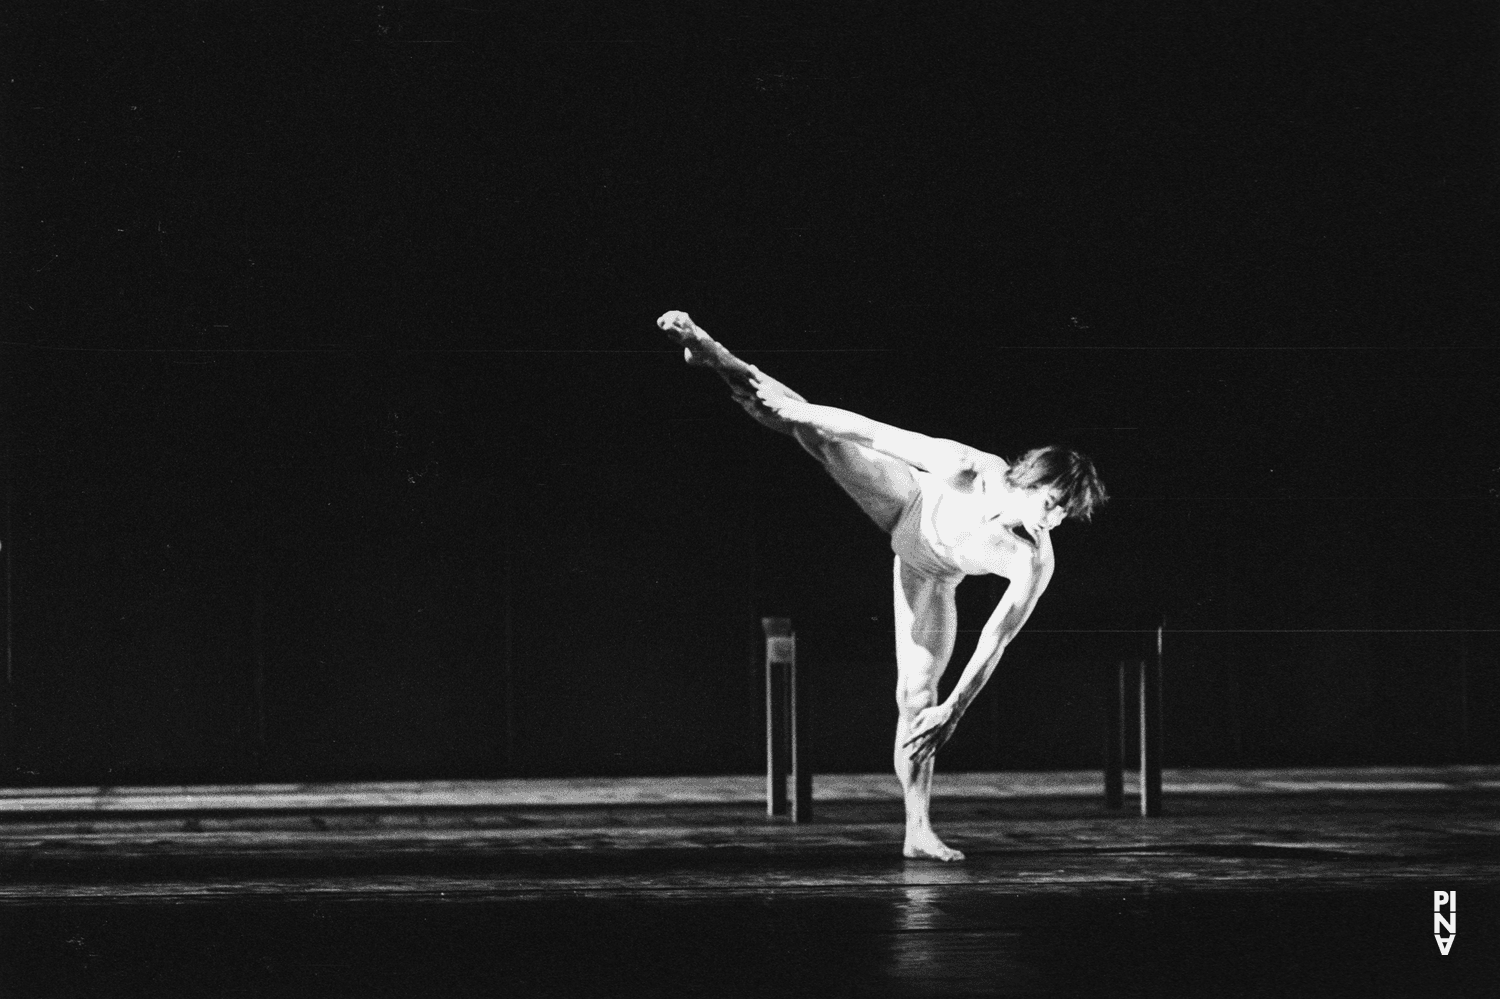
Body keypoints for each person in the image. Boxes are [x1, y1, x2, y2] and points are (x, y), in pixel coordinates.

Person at [658, 310, 1107, 861]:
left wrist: (955, 710)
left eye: (1066, 514)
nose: (1055, 519)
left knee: (917, 701)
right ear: (1029, 480)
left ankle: (917, 828)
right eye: (1052, 504)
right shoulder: (970, 468)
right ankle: (715, 354)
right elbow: (874, 432)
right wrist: (795, 410)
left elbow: (996, 640)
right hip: (908, 502)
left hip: (929, 573)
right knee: (817, 435)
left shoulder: (1034, 558)